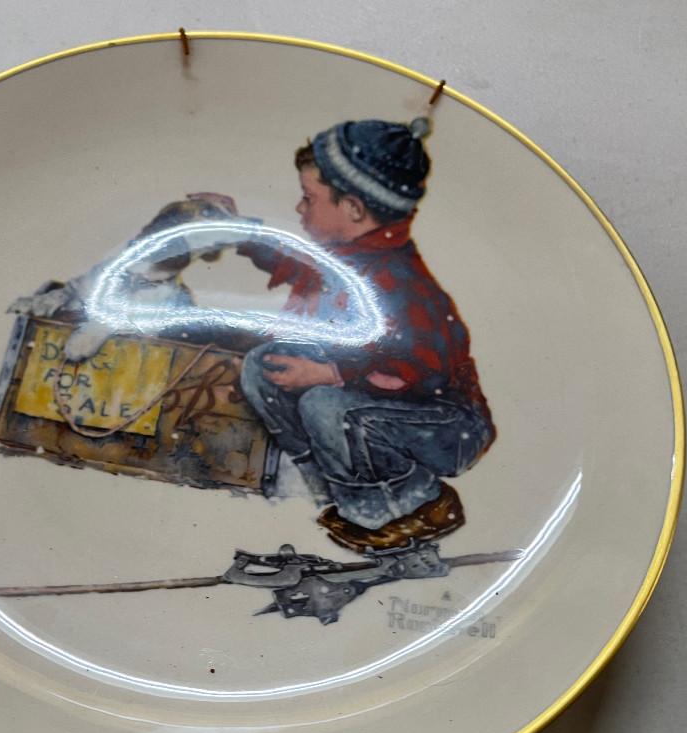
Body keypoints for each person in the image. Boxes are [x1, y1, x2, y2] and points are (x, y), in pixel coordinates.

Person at [205, 116, 496, 551]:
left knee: (325, 406)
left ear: (354, 210)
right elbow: (291, 260)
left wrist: (331, 375)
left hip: (445, 424)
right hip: (375, 405)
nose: (300, 209)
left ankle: (416, 504)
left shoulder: (399, 282)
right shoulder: (345, 256)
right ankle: (331, 490)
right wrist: (238, 229)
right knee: (264, 365)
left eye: (309, 198)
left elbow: (422, 372)